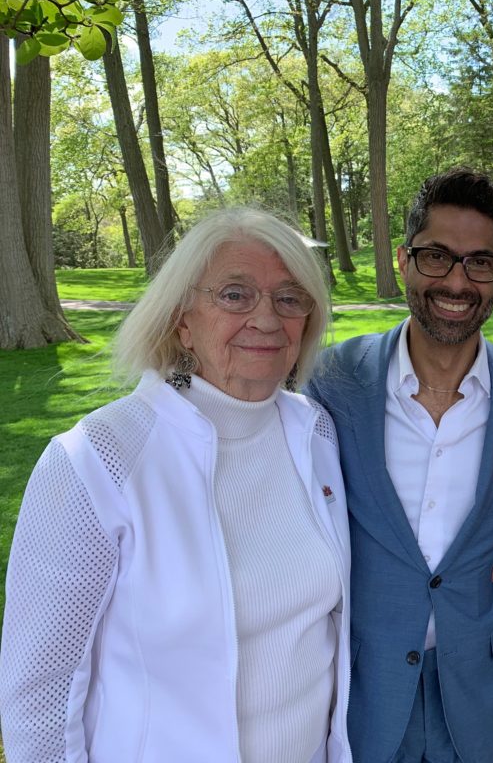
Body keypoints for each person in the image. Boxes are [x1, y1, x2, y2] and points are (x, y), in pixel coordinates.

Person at [0, 208, 353, 762]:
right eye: (235, 294)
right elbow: (40, 694)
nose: (266, 318)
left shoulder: (316, 433)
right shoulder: (97, 459)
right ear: (181, 320)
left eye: (290, 298)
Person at [306, 167, 493, 763]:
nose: (458, 281)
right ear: (404, 259)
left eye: (480, 262)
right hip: (359, 683)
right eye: (437, 256)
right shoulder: (331, 383)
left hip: (474, 682)